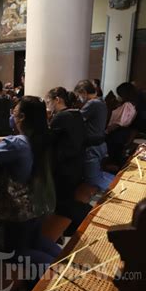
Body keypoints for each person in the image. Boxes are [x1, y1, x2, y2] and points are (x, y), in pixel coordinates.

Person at [0, 96, 60, 266]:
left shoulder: (17, 144)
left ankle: (55, 274)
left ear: (22, 117)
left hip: (19, 210)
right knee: (36, 241)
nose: (12, 117)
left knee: (16, 253)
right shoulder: (44, 136)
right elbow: (20, 142)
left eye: (14, 113)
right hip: (39, 202)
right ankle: (65, 260)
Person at [46, 87, 90, 236]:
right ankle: (71, 227)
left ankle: (73, 225)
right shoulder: (76, 114)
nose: (48, 105)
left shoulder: (61, 117)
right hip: (76, 163)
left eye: (49, 101)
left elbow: (49, 140)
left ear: (57, 100)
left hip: (64, 166)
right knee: (68, 197)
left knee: (62, 201)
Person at [74, 80, 113, 191]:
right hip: (100, 144)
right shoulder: (101, 101)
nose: (79, 98)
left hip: (92, 146)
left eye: (79, 95)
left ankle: (119, 191)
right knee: (98, 174)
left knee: (93, 179)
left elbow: (77, 119)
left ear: (84, 92)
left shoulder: (92, 103)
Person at [105, 82, 138, 167]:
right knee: (117, 156)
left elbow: (120, 122)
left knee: (115, 157)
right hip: (121, 133)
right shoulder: (131, 104)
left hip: (117, 133)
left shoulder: (127, 105)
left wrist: (107, 131)